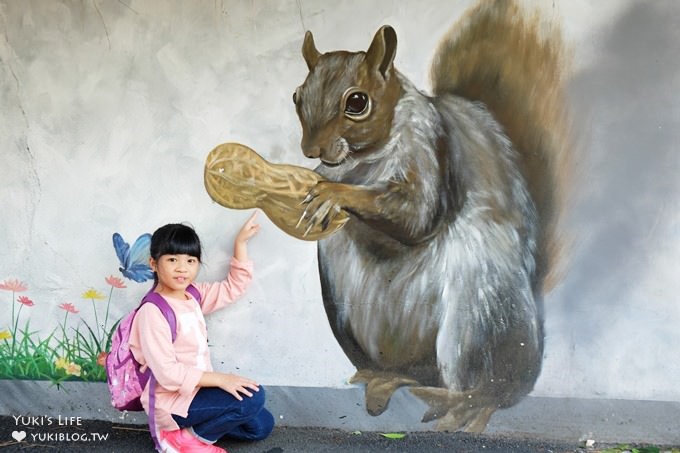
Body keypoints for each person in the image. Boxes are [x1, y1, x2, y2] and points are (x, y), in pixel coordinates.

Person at [129, 211, 274, 453]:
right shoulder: (153, 311)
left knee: (261, 425)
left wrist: (240, 243)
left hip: (197, 393)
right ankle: (182, 441)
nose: (182, 269)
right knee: (254, 398)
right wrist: (221, 379)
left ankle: (190, 432)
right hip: (171, 403)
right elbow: (167, 374)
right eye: (172, 260)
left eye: (190, 260)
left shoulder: (193, 295)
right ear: (154, 264)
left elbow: (232, 288)